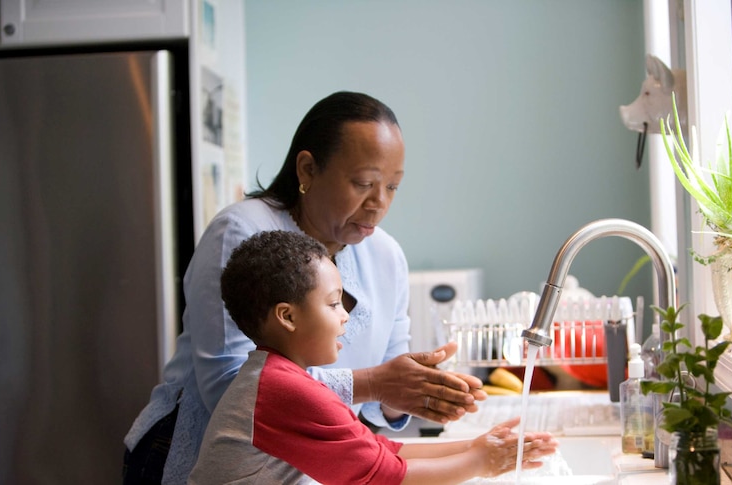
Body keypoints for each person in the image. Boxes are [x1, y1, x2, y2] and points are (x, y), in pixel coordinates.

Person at [123, 91, 487, 484]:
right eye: (364, 182)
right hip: (190, 458)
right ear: (308, 169)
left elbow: (383, 401)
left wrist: (420, 391)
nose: (379, 203)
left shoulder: (387, 255)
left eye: (393, 187)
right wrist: (374, 383)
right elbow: (231, 390)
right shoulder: (242, 231)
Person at [189, 230, 559, 484]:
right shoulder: (282, 389)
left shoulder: (279, 378)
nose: (345, 315)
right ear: (287, 316)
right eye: (334, 303)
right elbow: (383, 477)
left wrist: (475, 446)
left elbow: (382, 450)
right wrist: (483, 462)